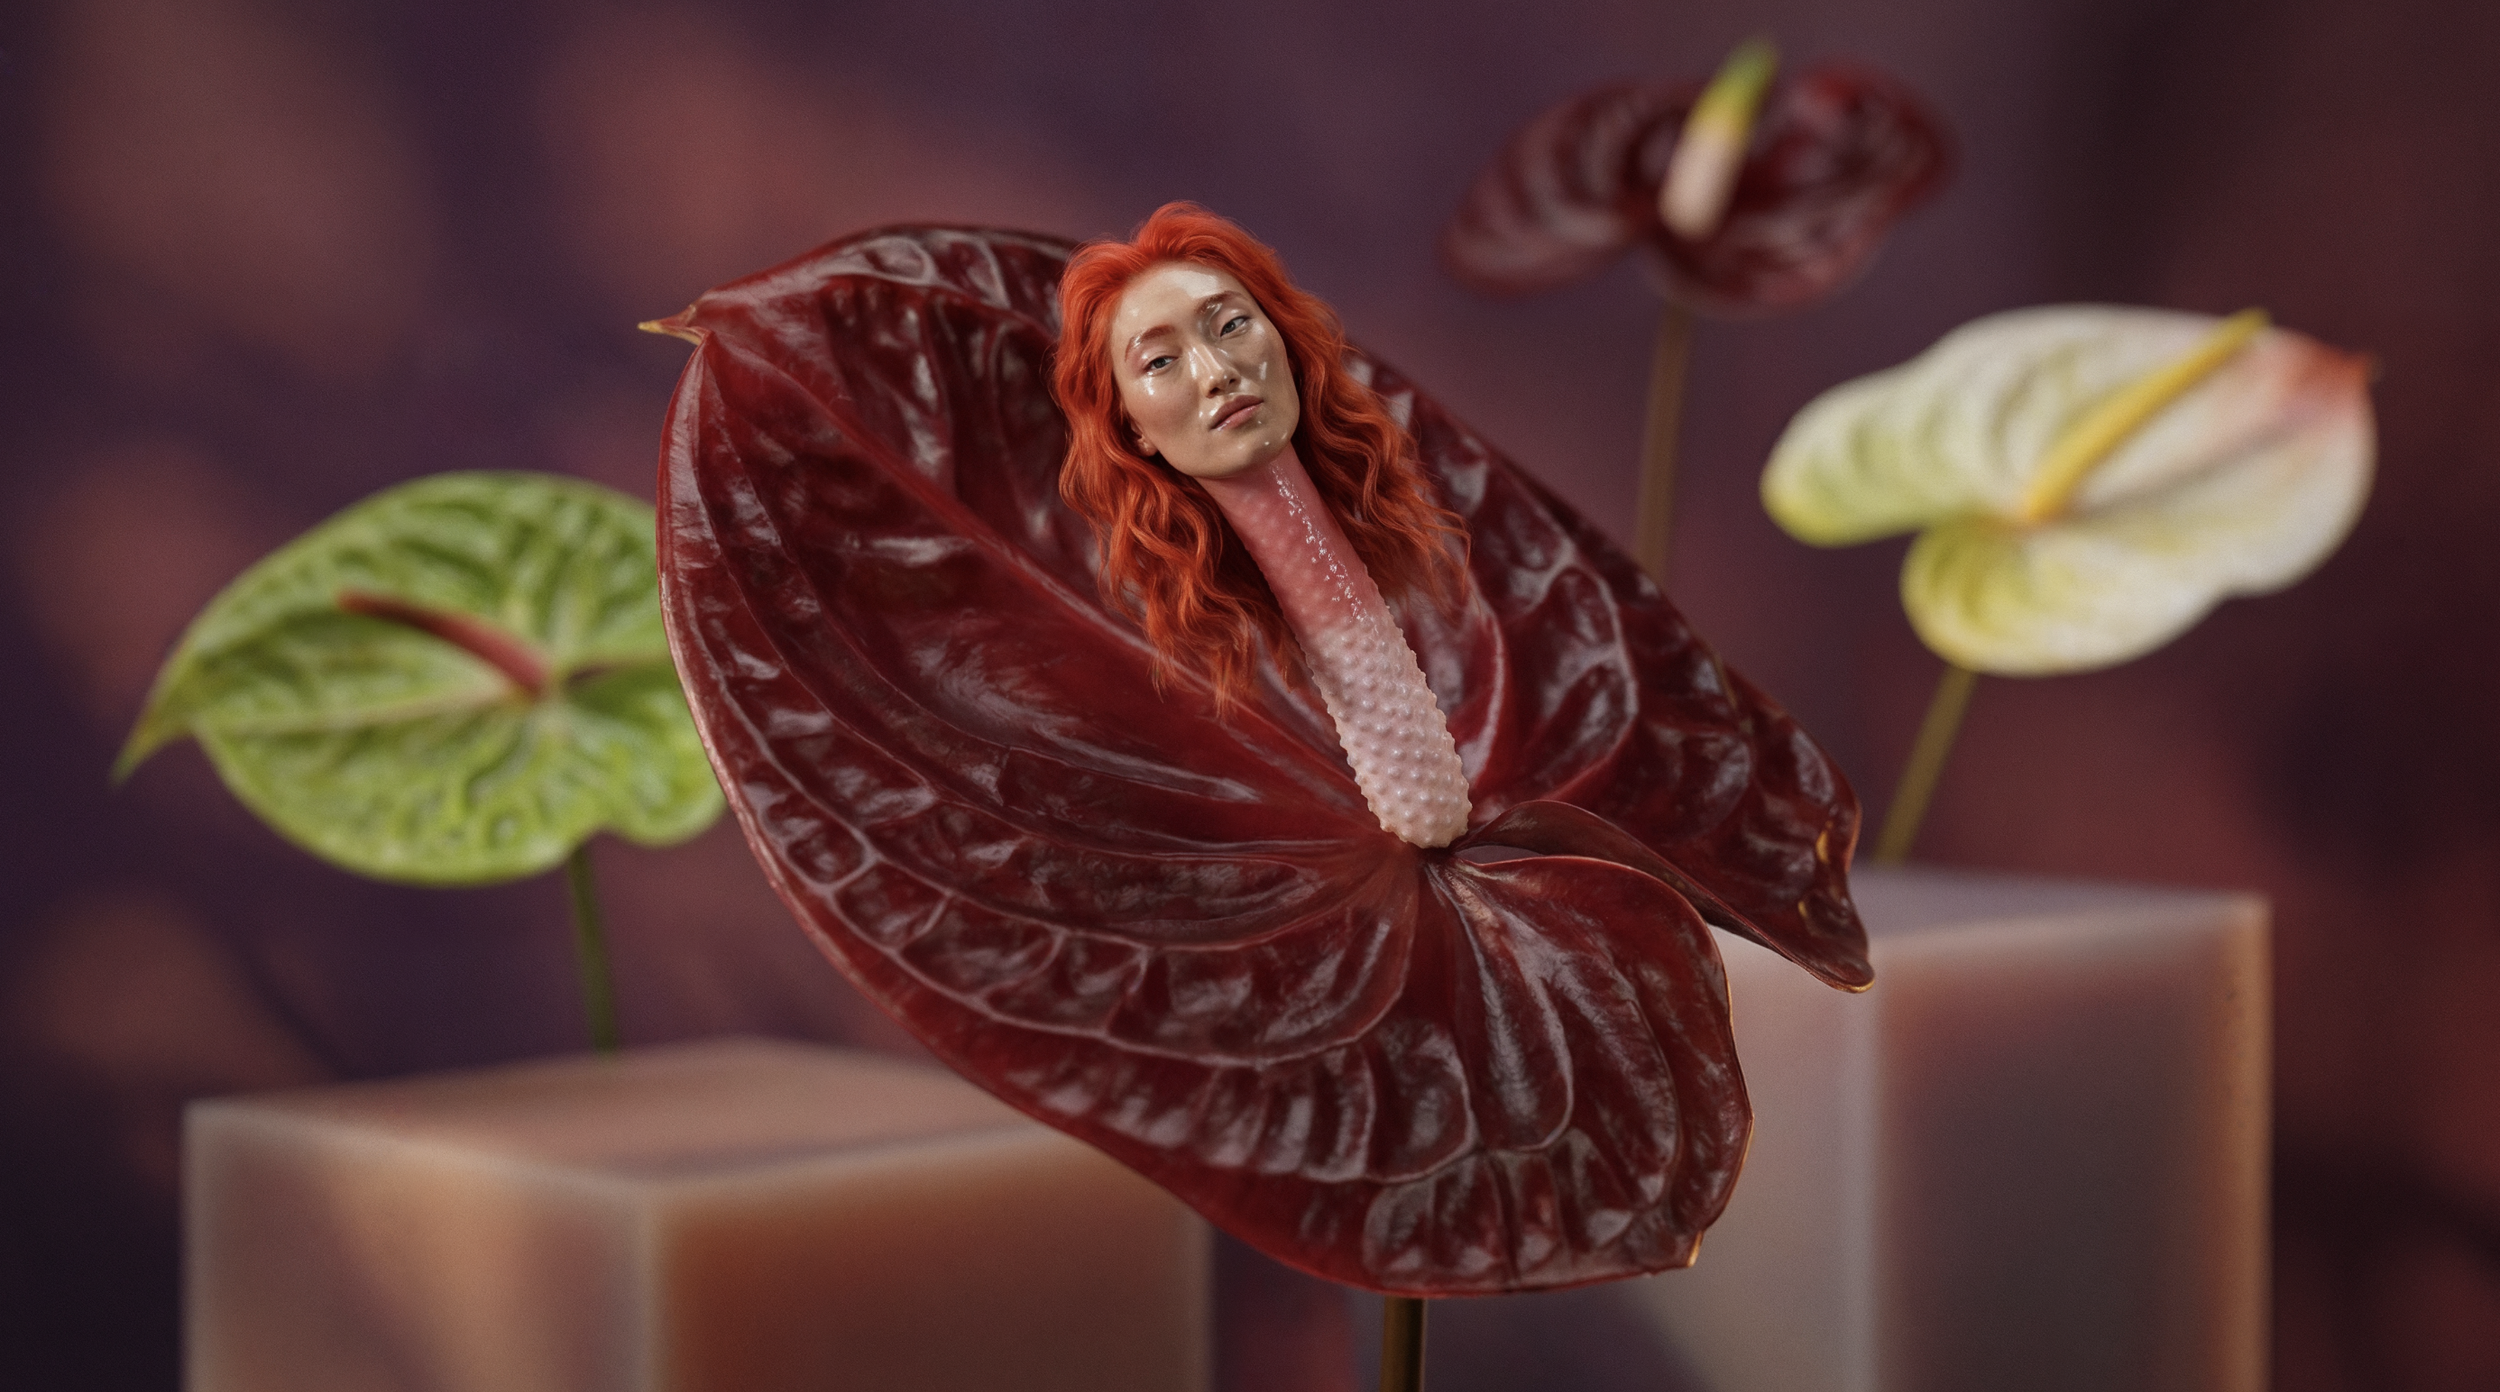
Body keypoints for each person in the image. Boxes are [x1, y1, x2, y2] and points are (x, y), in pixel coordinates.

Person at [1053, 202, 1465, 703]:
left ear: (1286, 345)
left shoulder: (1439, 572)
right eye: (1159, 361)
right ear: (1132, 427)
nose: (1217, 373)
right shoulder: (1199, 668)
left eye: (1231, 326)